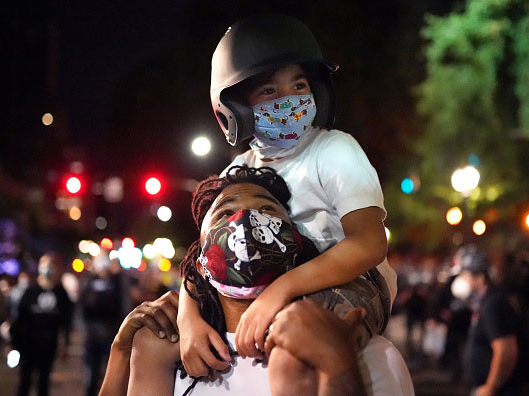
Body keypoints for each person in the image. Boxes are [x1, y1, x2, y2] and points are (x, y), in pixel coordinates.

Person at [178, 13, 397, 377]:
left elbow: (369, 244)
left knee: (294, 351)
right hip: (263, 287)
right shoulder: (237, 174)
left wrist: (280, 292)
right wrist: (188, 318)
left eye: (299, 85)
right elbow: (202, 256)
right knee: (150, 335)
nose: (289, 100)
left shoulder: (334, 150)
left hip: (351, 282)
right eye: (269, 91)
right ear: (234, 109)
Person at [100, 166, 414, 396]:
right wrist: (122, 354)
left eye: (266, 209)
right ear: (201, 258)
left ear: (296, 242)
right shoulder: (168, 356)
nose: (246, 219)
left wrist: (338, 367)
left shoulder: (369, 356)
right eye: (225, 213)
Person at [459, 246, 529, 396]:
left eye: (465, 275)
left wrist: (491, 387)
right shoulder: (485, 302)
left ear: (479, 277)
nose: (463, 280)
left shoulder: (492, 304)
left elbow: (506, 350)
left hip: (503, 391)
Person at [11, 252, 74, 396]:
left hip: (49, 345)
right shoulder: (30, 291)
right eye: (45, 264)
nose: (48, 268)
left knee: (43, 381)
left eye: (51, 265)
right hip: (28, 344)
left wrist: (65, 345)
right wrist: (14, 343)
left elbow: (66, 321)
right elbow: (19, 319)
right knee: (25, 380)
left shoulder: (60, 293)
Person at [80, 251, 125, 396]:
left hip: (111, 334)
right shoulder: (89, 282)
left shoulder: (117, 283)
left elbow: (124, 305)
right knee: (91, 373)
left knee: (110, 374)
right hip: (92, 335)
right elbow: (81, 308)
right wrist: (84, 329)